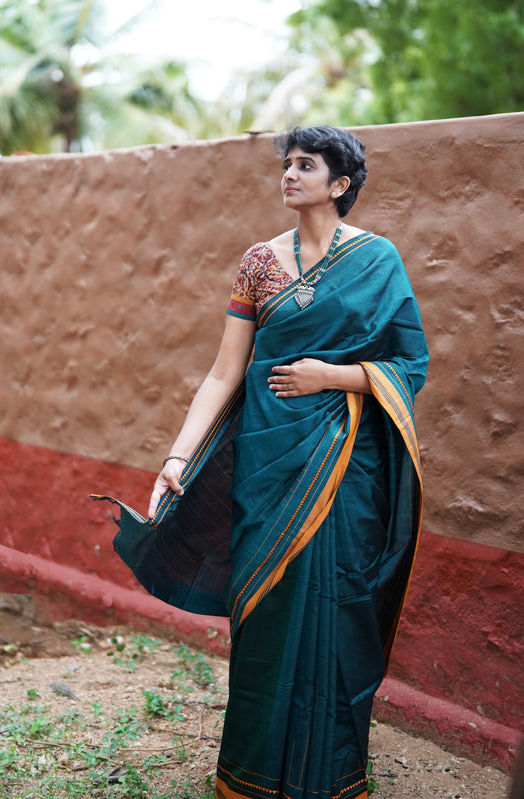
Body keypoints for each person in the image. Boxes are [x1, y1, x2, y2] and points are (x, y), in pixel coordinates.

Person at [96, 126, 428, 799]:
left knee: (338, 608)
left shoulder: (377, 260)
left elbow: (409, 363)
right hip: (263, 463)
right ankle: (247, 775)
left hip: (343, 465)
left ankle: (330, 774)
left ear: (339, 183)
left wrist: (333, 377)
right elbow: (224, 374)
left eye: (305, 165)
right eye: (286, 163)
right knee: (263, 609)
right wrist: (175, 457)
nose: (288, 174)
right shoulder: (257, 263)